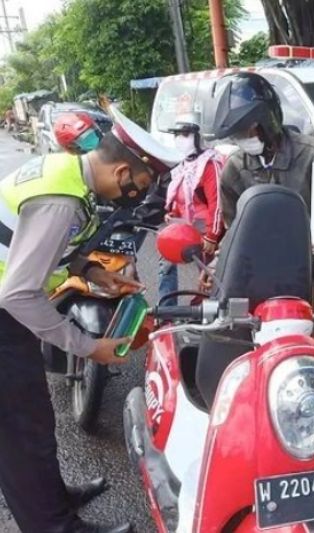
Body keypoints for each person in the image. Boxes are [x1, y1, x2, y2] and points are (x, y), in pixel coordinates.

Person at [0, 106, 180, 533]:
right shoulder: (61, 200)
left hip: (7, 313)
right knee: (20, 430)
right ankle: (53, 525)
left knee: (34, 418)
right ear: (121, 172)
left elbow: (42, 245)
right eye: (141, 184)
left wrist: (97, 273)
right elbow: (19, 293)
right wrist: (86, 345)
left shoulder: (65, 171)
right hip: (5, 313)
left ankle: (51, 498)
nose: (138, 195)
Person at [210, 71, 314, 357]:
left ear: (266, 122)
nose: (241, 139)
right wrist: (219, 273)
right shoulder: (235, 169)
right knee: (262, 360)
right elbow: (233, 232)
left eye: (246, 130)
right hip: (262, 286)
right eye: (236, 135)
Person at [159, 113, 225, 306]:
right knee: (166, 263)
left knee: (209, 273)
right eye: (177, 134)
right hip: (184, 228)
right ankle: (166, 310)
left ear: (199, 136)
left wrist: (212, 236)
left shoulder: (209, 165)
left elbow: (217, 203)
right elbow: (179, 196)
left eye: (186, 134)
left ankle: (211, 307)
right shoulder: (181, 165)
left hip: (205, 231)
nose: (180, 139)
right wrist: (172, 212)